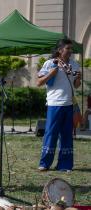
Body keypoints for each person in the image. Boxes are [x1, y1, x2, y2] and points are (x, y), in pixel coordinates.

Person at [37, 38, 81, 172]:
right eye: (68, 49)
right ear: (60, 50)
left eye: (71, 49)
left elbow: (76, 86)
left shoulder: (74, 64)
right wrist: (52, 72)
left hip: (69, 104)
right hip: (54, 104)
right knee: (51, 133)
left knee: (67, 134)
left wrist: (78, 78)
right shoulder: (50, 63)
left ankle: (65, 165)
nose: (71, 51)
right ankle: (45, 163)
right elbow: (39, 82)